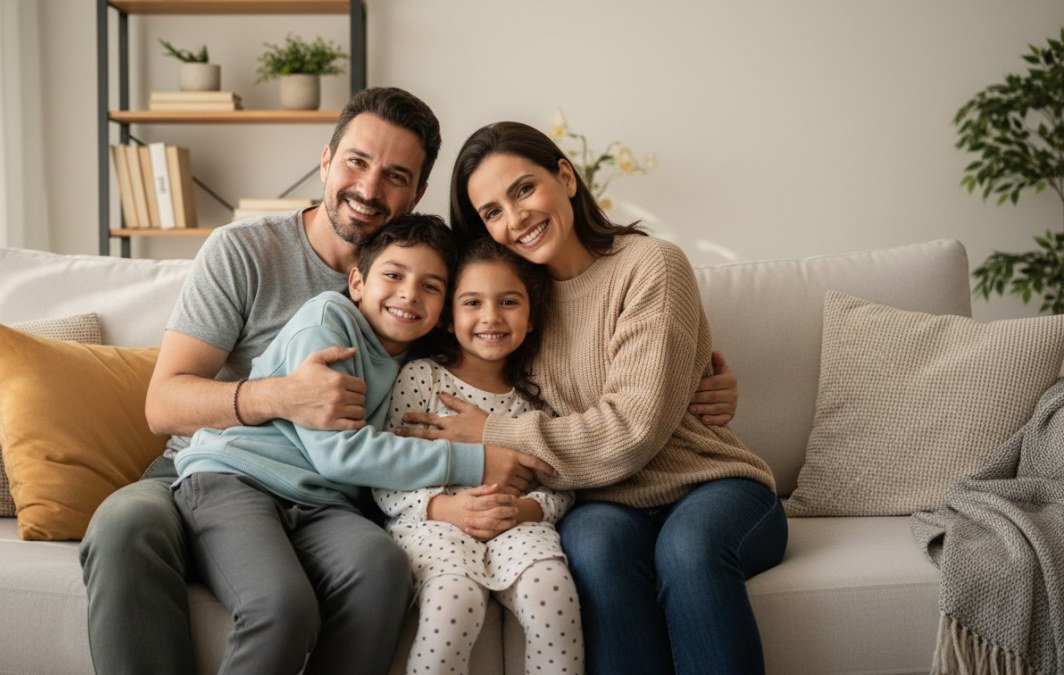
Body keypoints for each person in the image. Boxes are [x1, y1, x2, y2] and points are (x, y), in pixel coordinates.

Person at [78, 86, 740, 675]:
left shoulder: (432, 297)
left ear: (417, 193)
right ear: (326, 159)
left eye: (396, 175)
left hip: (339, 490)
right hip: (216, 463)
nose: (370, 188)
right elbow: (164, 403)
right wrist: (280, 395)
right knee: (124, 524)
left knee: (381, 566)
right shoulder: (246, 253)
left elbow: (510, 357)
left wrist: (688, 381)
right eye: (357, 163)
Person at [397, 121, 788, 675]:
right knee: (595, 553)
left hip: (711, 485)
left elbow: (631, 431)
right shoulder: (512, 308)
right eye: (492, 212)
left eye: (524, 189)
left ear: (566, 177)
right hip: (603, 502)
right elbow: (414, 328)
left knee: (687, 551)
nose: (516, 219)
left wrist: (491, 430)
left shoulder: (651, 266)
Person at [171, 215, 510, 674]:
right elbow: (340, 452)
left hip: (323, 507)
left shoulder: (420, 365)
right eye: (393, 275)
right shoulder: (328, 319)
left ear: (445, 309)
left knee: (383, 567)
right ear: (357, 282)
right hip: (235, 480)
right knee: (282, 606)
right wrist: (477, 462)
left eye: (431, 287)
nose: (409, 293)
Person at [374, 238, 582, 675]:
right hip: (433, 524)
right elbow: (388, 472)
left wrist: (525, 509)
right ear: (449, 318)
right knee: (455, 599)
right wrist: (443, 507)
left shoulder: (538, 394)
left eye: (509, 301)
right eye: (472, 302)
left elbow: (560, 481)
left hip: (517, 525)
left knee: (553, 590)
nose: (491, 317)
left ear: (531, 319)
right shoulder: (422, 378)